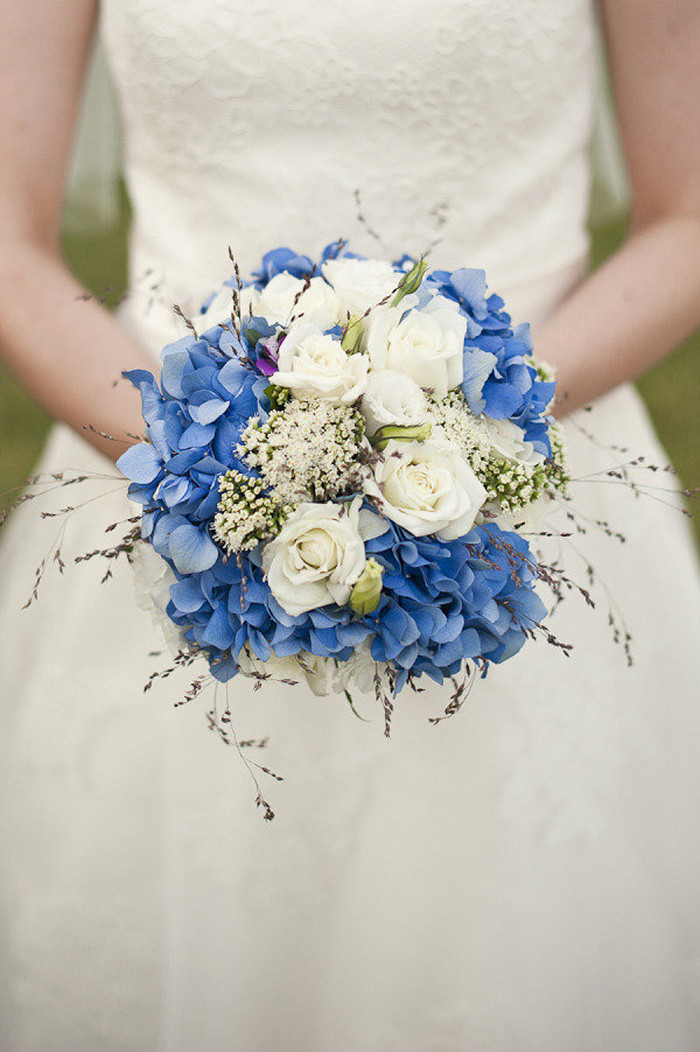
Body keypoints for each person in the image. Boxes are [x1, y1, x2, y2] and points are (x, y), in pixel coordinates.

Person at [1, 1, 700, 1049]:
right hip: (169, 478)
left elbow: (687, 212)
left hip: (523, 472)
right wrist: (198, 468)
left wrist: (463, 439)